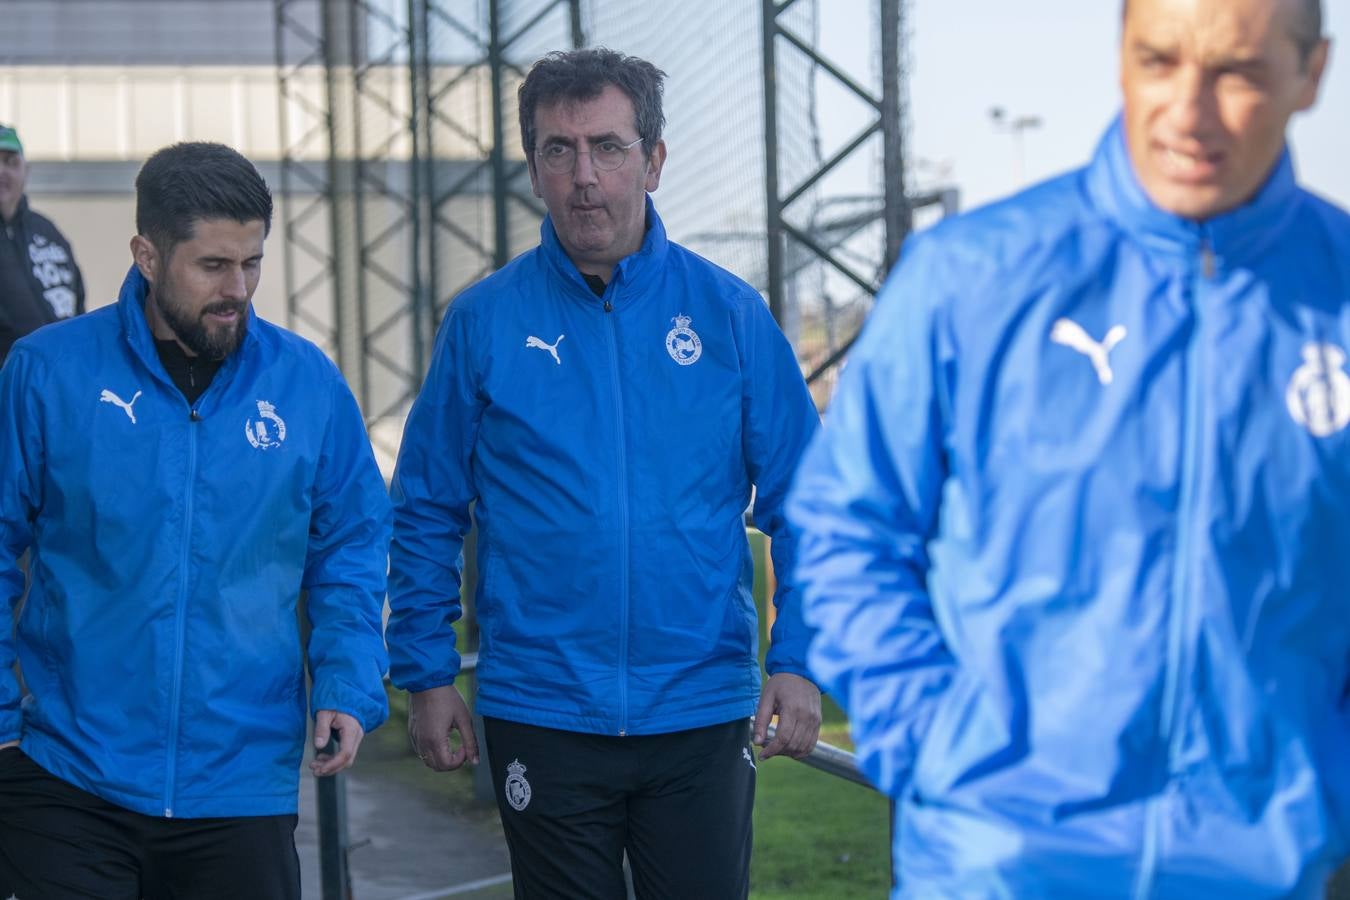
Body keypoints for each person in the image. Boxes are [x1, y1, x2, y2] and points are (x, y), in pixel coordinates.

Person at [787, 0, 1350, 896]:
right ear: (1122, 56)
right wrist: (942, 748)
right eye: (1159, 60)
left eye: (1237, 72)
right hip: (998, 866)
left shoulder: (1337, 295)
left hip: (1263, 873)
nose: (1190, 113)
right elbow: (849, 536)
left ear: (1312, 74)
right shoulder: (969, 280)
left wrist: (1318, 792)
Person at [387, 48, 821, 899]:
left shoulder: (731, 316)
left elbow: (812, 505)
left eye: (609, 147)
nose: (585, 175)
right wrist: (428, 673)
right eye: (560, 149)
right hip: (543, 710)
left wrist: (799, 657)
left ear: (653, 162)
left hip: (698, 709)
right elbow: (426, 508)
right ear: (535, 167)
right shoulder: (482, 323)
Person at [0, 142, 391, 899]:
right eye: (212, 265)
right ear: (147, 255)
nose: (237, 289)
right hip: (67, 776)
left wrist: (345, 678)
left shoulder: (307, 383)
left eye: (251, 263)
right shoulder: (47, 372)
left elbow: (349, 545)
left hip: (241, 787)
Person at [0, 123, 85, 364]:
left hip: (60, 378)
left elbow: (78, 300)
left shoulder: (48, 232)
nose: (2, 171)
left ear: (25, 170)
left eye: (10, 162)